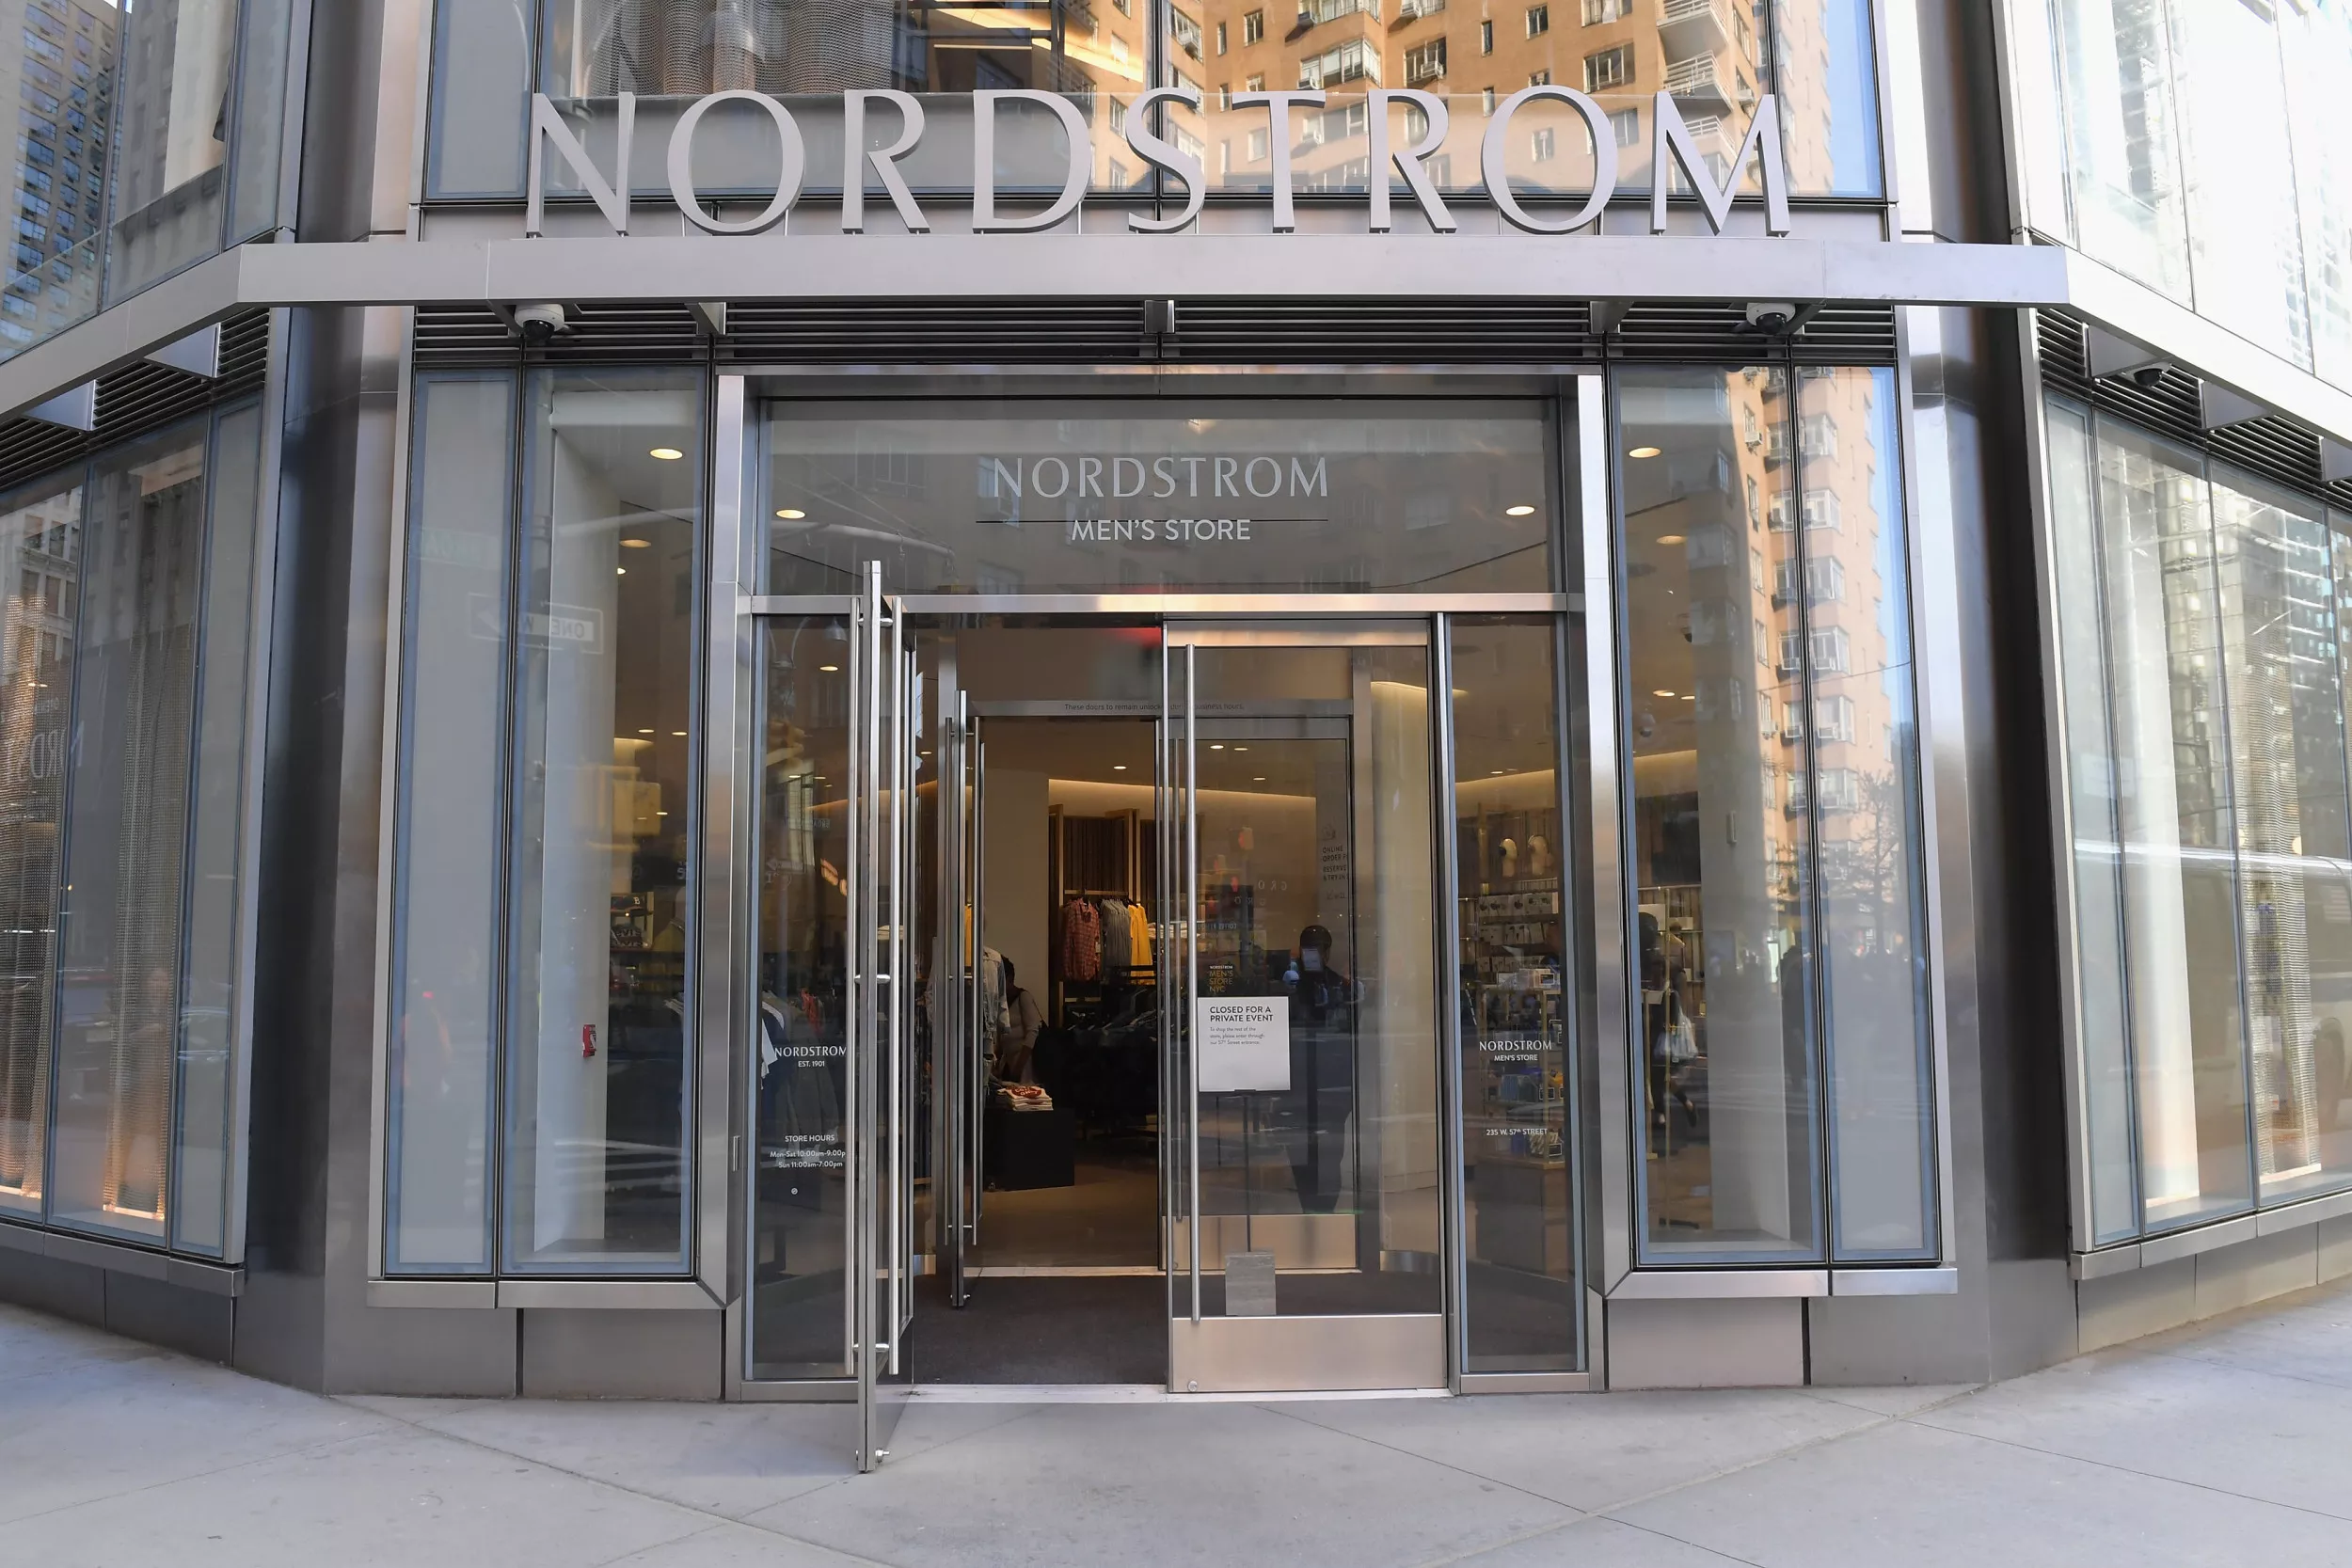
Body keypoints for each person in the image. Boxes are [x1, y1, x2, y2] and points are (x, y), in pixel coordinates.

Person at [1284, 925, 1355, 1213]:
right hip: (1299, 1084)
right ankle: (1310, 1209)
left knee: (1329, 1154)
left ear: (1326, 953)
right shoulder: (1291, 986)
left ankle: (1324, 1212)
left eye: (1318, 949)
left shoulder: (1338, 985)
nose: (1313, 955)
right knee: (1300, 1154)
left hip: (1329, 1084)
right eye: (1308, 949)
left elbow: (1349, 1029)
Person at [996, 958, 1044, 1085]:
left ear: (1009, 979)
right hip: (1008, 1060)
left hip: (1025, 1062)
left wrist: (1019, 1066)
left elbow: (1032, 1032)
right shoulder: (1001, 1002)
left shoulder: (1023, 997)